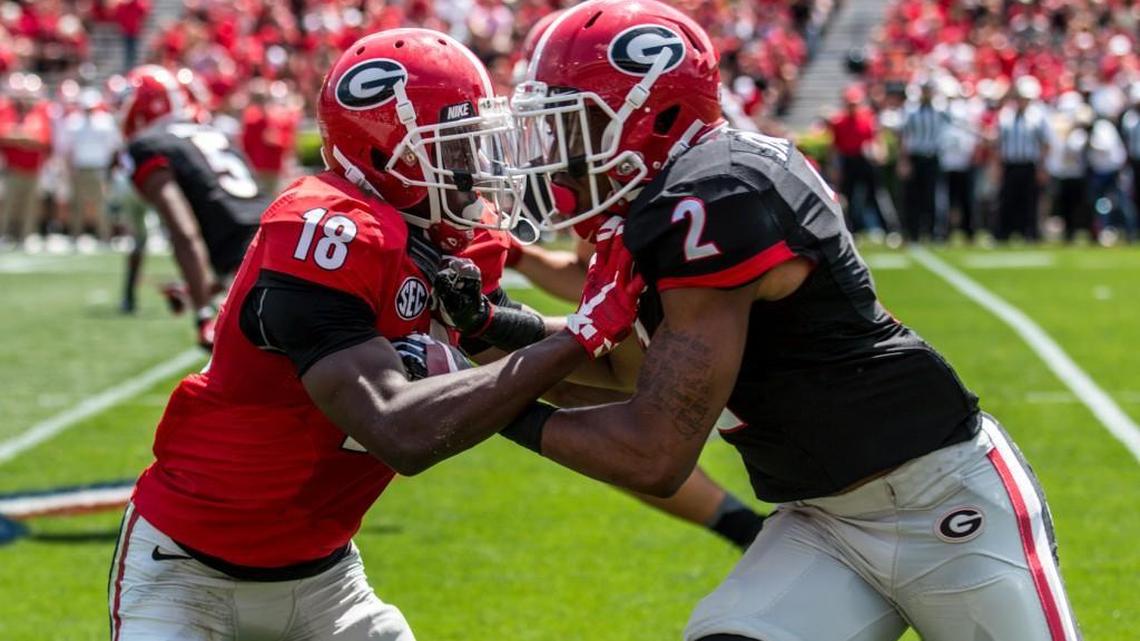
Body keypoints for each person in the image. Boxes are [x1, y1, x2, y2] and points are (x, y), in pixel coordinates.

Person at [501, 2, 1081, 640]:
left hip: (943, 502)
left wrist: (488, 408)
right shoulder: (669, 202)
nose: (554, 152)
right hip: (823, 522)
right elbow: (619, 369)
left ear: (650, 113)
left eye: (574, 123)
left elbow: (653, 451)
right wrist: (481, 325)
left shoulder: (713, 197)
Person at [107, 29, 640, 641]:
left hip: (327, 580)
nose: (479, 166)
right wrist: (577, 337)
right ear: (393, 150)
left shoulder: (453, 241)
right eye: (459, 145)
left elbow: (585, 377)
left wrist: (606, 334)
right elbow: (400, 430)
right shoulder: (327, 232)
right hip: (187, 575)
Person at [115, 65, 270, 347]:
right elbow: (240, 216)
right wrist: (197, 288)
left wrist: (202, 313)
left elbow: (184, 231)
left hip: (252, 270)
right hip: (282, 248)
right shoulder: (213, 132)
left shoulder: (147, 145)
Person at [59, 87, 120, 242]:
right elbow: (68, 149)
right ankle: (75, 235)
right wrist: (68, 168)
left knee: (102, 204)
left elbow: (113, 147)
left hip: (99, 168)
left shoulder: (105, 122)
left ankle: (104, 235)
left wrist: (110, 169)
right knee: (77, 203)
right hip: (80, 168)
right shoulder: (73, 122)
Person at [995, 76, 1051, 243]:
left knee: (1030, 201)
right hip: (1010, 164)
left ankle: (1031, 233)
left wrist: (1042, 167)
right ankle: (1005, 233)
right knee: (1007, 200)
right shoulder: (1006, 116)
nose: (1021, 102)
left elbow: (1045, 144)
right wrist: (997, 166)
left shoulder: (1038, 117)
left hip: (1029, 164)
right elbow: (998, 144)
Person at [0, 73, 51, 246]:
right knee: (9, 204)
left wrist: (19, 137)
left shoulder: (40, 112)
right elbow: (4, 135)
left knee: (30, 205)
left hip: (34, 168)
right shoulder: (7, 110)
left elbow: (42, 140)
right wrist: (27, 138)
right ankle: (6, 233)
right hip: (13, 168)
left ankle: (26, 236)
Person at [898, 79, 946, 241]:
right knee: (913, 196)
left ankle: (933, 232)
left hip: (932, 157)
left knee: (932, 196)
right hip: (916, 157)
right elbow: (904, 137)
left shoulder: (940, 110)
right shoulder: (911, 111)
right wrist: (904, 161)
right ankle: (913, 232)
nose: (927, 93)